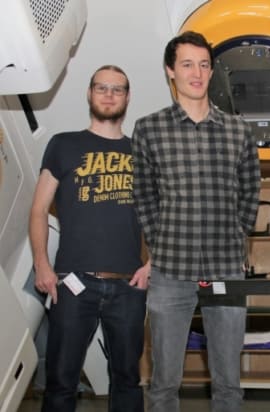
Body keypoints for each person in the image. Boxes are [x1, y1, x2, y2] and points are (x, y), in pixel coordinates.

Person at [131, 31, 261, 412]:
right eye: (187, 64)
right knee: (163, 383)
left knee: (228, 383)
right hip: (171, 270)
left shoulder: (238, 130)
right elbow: (144, 196)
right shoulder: (149, 129)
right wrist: (162, 243)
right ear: (171, 71)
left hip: (226, 269)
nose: (197, 72)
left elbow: (250, 190)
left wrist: (237, 237)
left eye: (204, 64)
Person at [29, 65, 149, 412]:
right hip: (71, 284)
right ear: (89, 93)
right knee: (60, 381)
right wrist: (42, 265)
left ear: (127, 97)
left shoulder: (142, 152)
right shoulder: (63, 145)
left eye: (118, 89)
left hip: (128, 286)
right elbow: (38, 211)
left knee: (127, 380)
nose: (109, 94)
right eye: (102, 88)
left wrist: (153, 264)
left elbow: (163, 214)